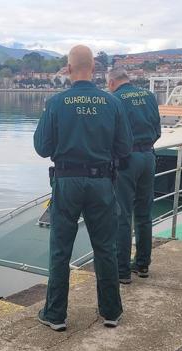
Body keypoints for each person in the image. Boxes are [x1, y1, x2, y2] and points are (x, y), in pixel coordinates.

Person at [34, 44, 133, 330]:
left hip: (66, 182)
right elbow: (125, 147)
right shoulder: (113, 103)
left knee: (60, 249)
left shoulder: (56, 103)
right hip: (102, 182)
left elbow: (42, 147)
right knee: (105, 247)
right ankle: (111, 311)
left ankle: (55, 314)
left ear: (68, 68)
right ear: (94, 68)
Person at [107, 67, 161, 284]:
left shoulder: (115, 99)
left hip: (126, 160)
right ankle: (143, 264)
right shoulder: (149, 96)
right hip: (148, 157)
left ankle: (122, 270)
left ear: (111, 82)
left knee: (122, 215)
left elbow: (112, 134)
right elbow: (158, 129)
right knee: (144, 213)